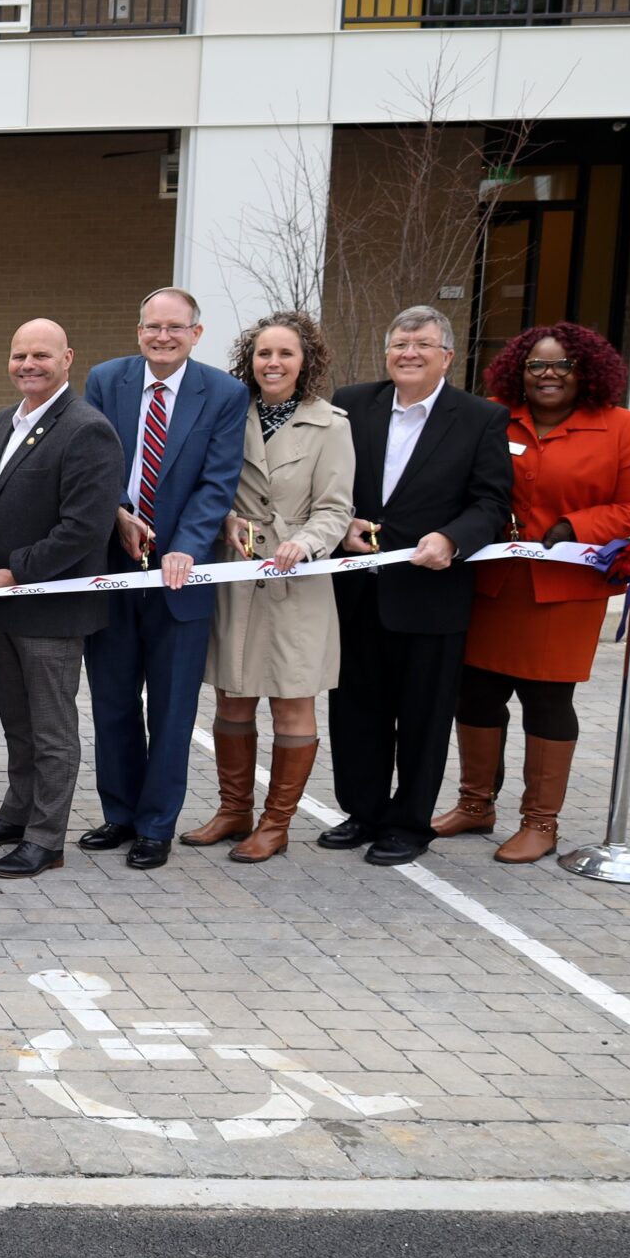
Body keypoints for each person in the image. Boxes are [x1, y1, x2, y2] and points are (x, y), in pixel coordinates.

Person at [434, 322, 630, 862]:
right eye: (537, 365)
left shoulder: (620, 426)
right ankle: (475, 803)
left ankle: (541, 821)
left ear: (587, 371)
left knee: (547, 700)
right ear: (519, 370)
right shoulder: (493, 415)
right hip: (492, 584)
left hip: (565, 591)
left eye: (563, 364)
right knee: (477, 693)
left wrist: (574, 526)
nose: (549, 374)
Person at [321, 305, 513, 867]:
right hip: (358, 591)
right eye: (400, 343)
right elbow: (330, 483)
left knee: (423, 718)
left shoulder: (480, 418)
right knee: (356, 711)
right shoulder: (353, 404)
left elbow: (492, 503)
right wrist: (343, 522)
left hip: (432, 595)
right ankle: (363, 811)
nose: (409, 352)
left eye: (423, 344)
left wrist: (453, 540)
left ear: (447, 356)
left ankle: (408, 824)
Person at [79, 287, 247, 871]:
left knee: (172, 710)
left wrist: (187, 549)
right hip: (113, 571)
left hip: (182, 579)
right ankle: (119, 814)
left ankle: (155, 826)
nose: (162, 337)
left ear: (196, 334)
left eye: (175, 328)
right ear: (139, 330)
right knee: (112, 701)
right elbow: (95, 463)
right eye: (153, 326)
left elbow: (217, 482)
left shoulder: (224, 394)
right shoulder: (106, 380)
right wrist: (116, 516)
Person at [179, 312, 355, 863]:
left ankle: (276, 824)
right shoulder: (229, 412)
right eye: (262, 354)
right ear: (248, 361)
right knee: (233, 698)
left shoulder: (332, 424)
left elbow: (335, 507)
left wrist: (305, 542)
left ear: (306, 363)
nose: (272, 363)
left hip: (297, 581)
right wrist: (226, 518)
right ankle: (235, 811)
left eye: (285, 354)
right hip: (236, 574)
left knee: (291, 704)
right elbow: (208, 483)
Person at [0, 320, 124, 879]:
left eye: (41, 355)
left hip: (50, 608)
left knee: (52, 730)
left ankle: (46, 838)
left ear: (67, 359)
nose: (29, 364)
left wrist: (15, 570)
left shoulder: (86, 429)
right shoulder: (5, 421)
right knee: (18, 722)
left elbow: (85, 527)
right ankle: (18, 813)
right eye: (19, 354)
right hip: (5, 604)